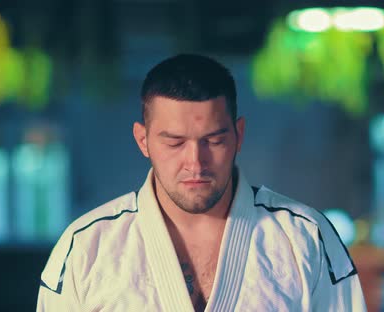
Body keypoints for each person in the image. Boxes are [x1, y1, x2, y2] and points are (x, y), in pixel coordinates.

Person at [37, 54, 367, 311]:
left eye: (213, 140)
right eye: (174, 142)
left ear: (238, 135)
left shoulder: (305, 237)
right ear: (143, 140)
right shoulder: (86, 246)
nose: (195, 162)